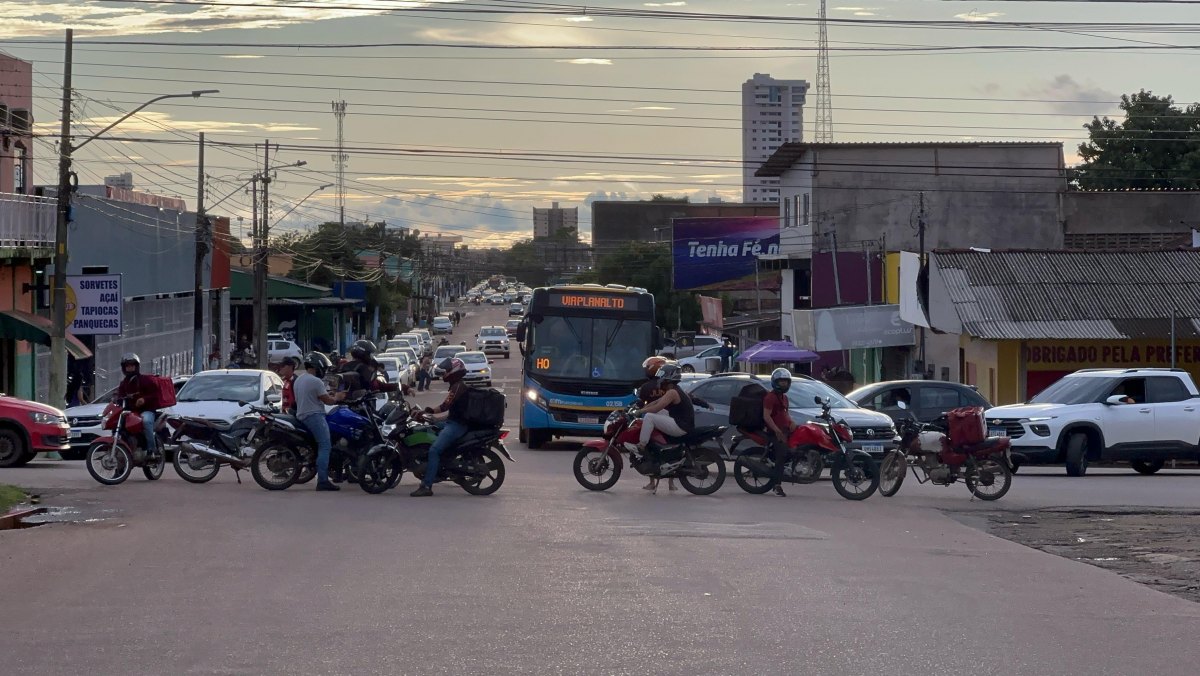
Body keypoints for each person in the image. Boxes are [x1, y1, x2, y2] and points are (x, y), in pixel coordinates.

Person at [411, 357, 472, 497]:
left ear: (454, 371)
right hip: (453, 422)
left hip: (457, 426)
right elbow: (452, 412)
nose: (444, 375)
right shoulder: (457, 385)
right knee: (430, 427)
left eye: (446, 372)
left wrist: (428, 411)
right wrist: (433, 419)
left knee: (434, 451)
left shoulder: (458, 387)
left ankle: (426, 486)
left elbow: (445, 406)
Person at [634, 362, 694, 492]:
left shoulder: (672, 392)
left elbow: (657, 407)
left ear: (669, 376)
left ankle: (642, 444)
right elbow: (656, 402)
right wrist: (643, 408)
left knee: (650, 416)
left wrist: (641, 412)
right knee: (654, 414)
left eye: (663, 375)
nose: (660, 378)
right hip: (680, 422)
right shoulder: (673, 390)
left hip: (680, 426)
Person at [294, 352, 346, 491]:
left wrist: (328, 395)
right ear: (318, 366)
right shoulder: (315, 381)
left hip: (302, 415)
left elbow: (314, 396)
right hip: (314, 416)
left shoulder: (300, 379)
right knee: (325, 446)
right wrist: (338, 397)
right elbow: (328, 401)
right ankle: (322, 480)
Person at [115, 353, 160, 463]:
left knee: (146, 421)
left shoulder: (145, 380)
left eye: (132, 365)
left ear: (137, 366)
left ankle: (151, 451)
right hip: (131, 412)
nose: (129, 368)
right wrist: (115, 400)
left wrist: (144, 399)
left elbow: (155, 394)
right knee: (118, 424)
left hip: (146, 410)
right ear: (124, 368)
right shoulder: (123, 384)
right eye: (127, 366)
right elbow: (119, 397)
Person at [763, 367, 797, 497]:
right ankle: (777, 484)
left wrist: (792, 422)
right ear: (775, 382)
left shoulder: (785, 398)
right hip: (774, 432)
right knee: (781, 455)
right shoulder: (770, 397)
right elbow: (766, 416)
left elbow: (785, 414)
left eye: (786, 382)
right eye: (781, 381)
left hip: (784, 430)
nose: (784, 384)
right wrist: (776, 430)